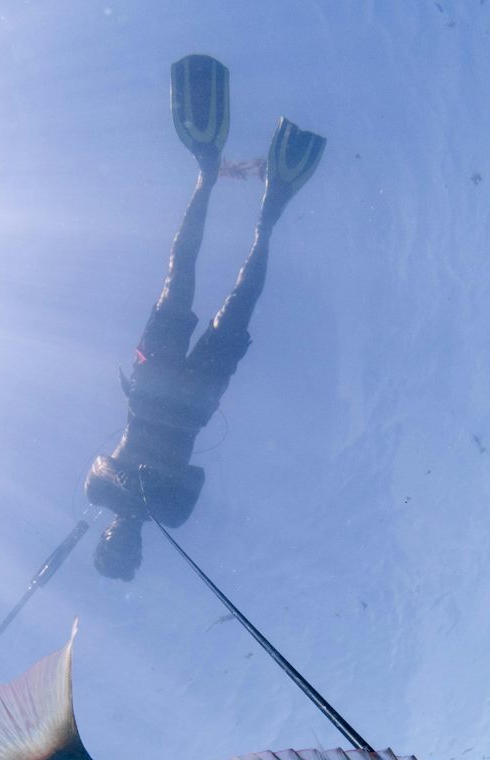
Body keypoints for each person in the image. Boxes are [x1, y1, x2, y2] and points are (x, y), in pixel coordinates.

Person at [84, 55, 326, 580]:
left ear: (104, 537)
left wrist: (130, 487)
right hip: (194, 401)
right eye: (129, 553)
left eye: (113, 547)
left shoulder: (99, 489)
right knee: (240, 304)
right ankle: (270, 210)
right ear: (140, 553)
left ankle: (206, 175)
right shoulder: (170, 514)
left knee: (180, 276)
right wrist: (148, 489)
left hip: (153, 384)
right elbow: (191, 478)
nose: (123, 543)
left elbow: (100, 472)